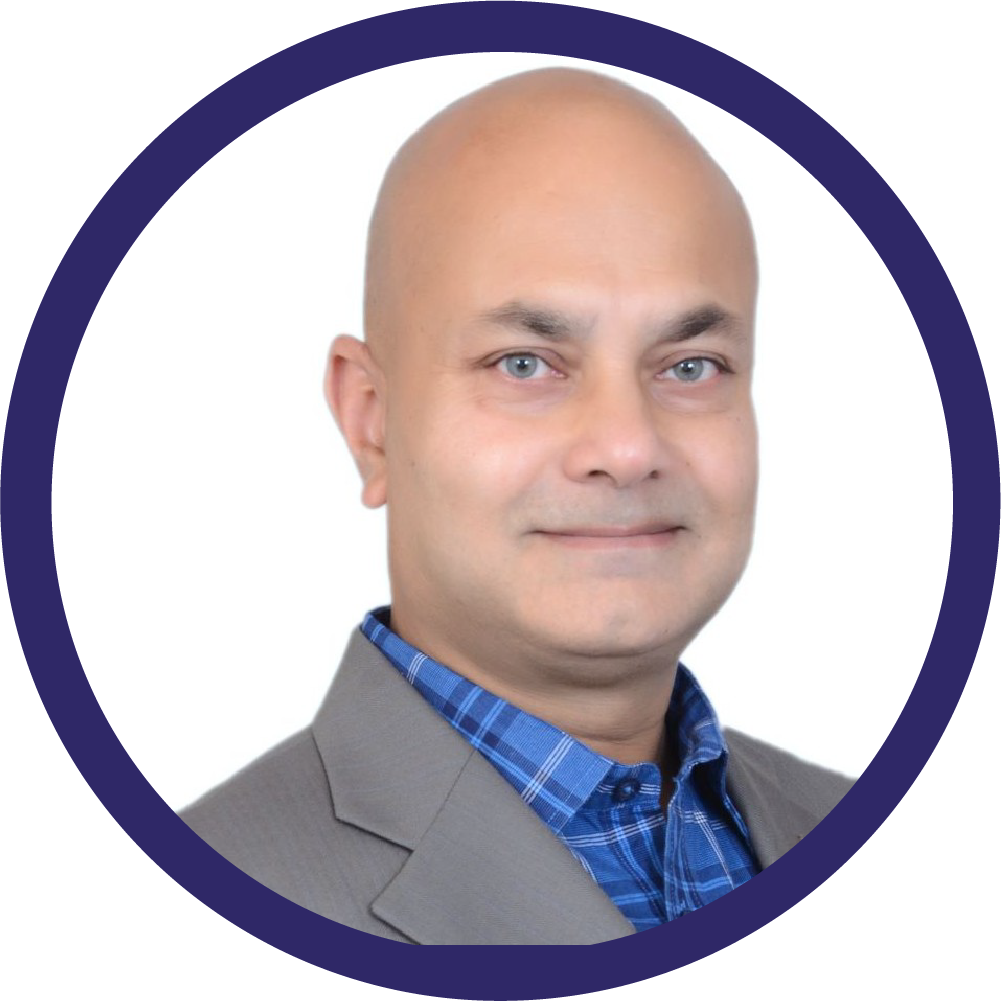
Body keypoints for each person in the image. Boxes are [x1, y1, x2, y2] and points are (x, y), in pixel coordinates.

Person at [181, 67, 852, 945]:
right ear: (371, 421)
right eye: (524, 363)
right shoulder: (191, 908)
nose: (627, 447)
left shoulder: (879, 837)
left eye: (689, 367)